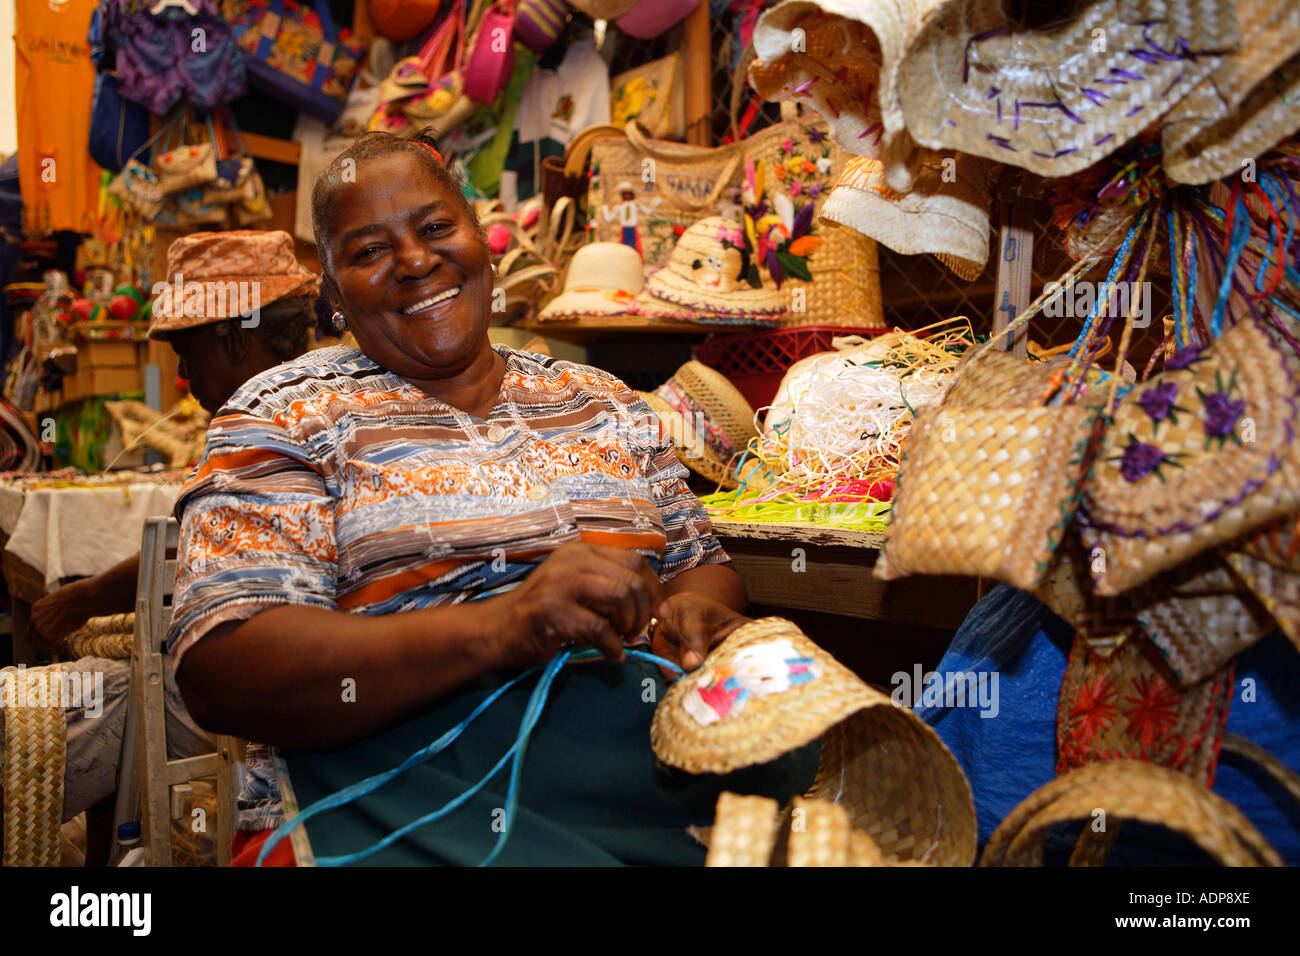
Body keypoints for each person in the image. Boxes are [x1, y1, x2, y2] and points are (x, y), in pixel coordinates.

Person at [170, 132, 816, 866]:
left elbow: (700, 564)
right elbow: (222, 671)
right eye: (370, 250)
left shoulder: (601, 401)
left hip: (637, 781)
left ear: (483, 239)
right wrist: (507, 625)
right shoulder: (284, 414)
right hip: (390, 799)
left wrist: (691, 613)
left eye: (437, 227)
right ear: (333, 295)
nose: (416, 261)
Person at [11, 230, 319, 866]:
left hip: (258, 730)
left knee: (105, 700)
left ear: (235, 341)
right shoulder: (335, 395)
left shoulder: (257, 430)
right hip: (289, 715)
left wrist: (87, 600)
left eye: (187, 355)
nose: (181, 377)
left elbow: (182, 558)